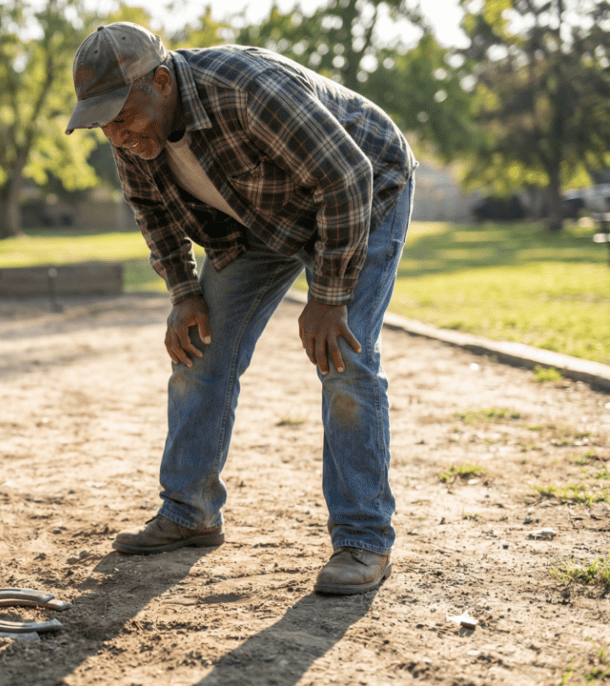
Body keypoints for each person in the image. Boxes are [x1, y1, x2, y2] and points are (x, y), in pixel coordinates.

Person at [64, 22, 417, 595]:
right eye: (103, 123)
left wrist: (327, 297)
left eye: (123, 117)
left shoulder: (246, 89)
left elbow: (346, 176)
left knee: (344, 356)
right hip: (259, 219)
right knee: (199, 346)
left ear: (160, 82)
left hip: (364, 191)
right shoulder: (132, 137)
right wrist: (183, 293)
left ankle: (363, 538)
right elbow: (153, 214)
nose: (117, 135)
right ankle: (189, 511)